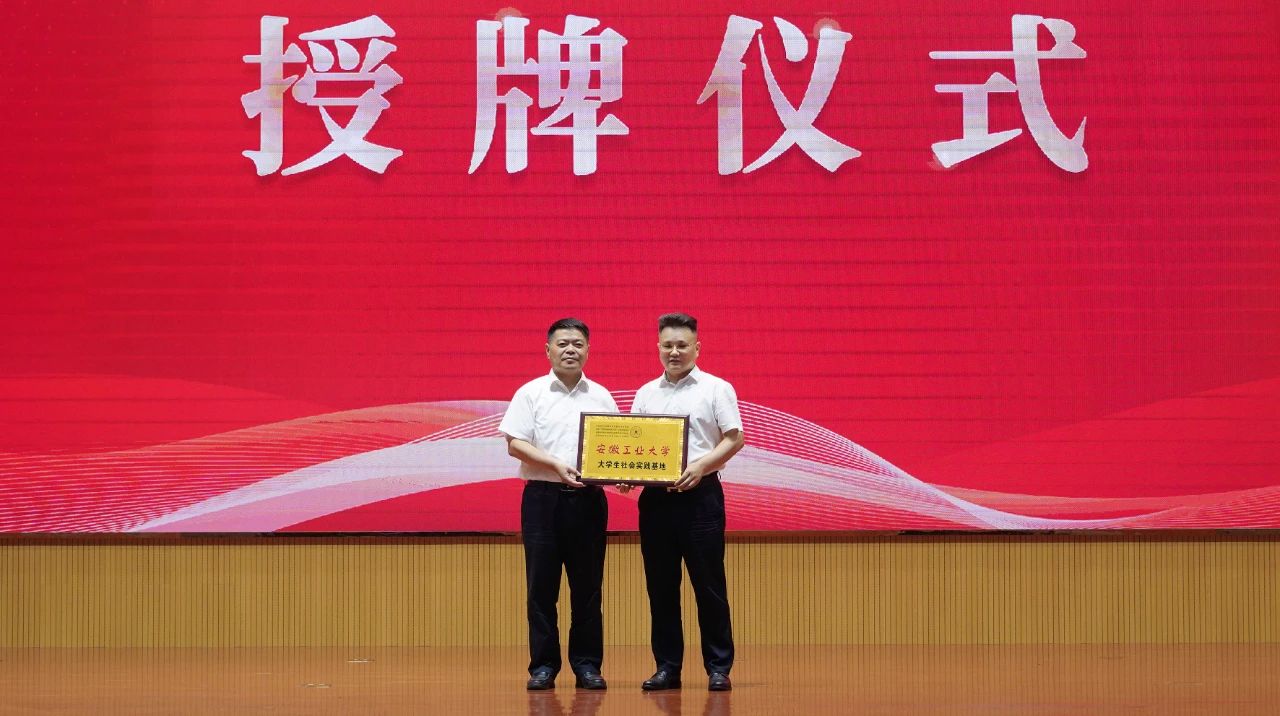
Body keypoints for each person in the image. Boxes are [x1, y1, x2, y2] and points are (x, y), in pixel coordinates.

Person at [499, 318, 618, 691]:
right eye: (563, 343)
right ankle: (543, 666)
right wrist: (554, 464)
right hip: (542, 500)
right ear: (548, 349)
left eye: (578, 344)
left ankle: (587, 666)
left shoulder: (601, 396)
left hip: (588, 501)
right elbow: (515, 444)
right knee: (541, 588)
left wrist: (623, 473)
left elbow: (616, 450)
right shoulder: (531, 393)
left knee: (588, 589)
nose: (570, 350)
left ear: (588, 351)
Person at [630, 313, 744, 692]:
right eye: (668, 345)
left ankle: (718, 667)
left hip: (702, 498)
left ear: (697, 347)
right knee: (661, 588)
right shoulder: (646, 393)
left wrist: (701, 466)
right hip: (656, 502)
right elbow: (635, 446)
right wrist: (628, 473)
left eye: (682, 345)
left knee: (709, 586)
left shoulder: (716, 389)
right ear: (658, 348)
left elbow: (734, 437)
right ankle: (667, 668)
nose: (674, 352)